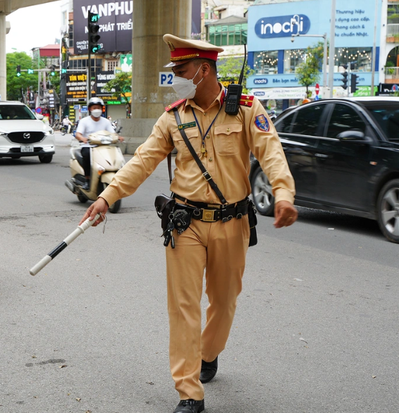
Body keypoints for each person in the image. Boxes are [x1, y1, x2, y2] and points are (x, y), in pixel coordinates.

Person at [80, 35, 298, 413]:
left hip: (232, 221)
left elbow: (272, 153)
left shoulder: (245, 108)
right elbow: (142, 161)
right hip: (185, 224)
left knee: (225, 301)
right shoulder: (173, 117)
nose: (175, 78)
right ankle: (188, 391)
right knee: (183, 307)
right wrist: (107, 196)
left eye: (180, 71)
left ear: (204, 69)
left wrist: (283, 194)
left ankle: (208, 352)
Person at [74, 98, 121, 189]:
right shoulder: (84, 121)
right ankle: (87, 180)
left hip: (103, 147)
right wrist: (82, 138)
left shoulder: (106, 122)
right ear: (90, 109)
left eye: (99, 108)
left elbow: (112, 133)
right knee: (86, 155)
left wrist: (118, 137)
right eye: (94, 108)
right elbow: (78, 134)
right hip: (88, 147)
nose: (97, 110)